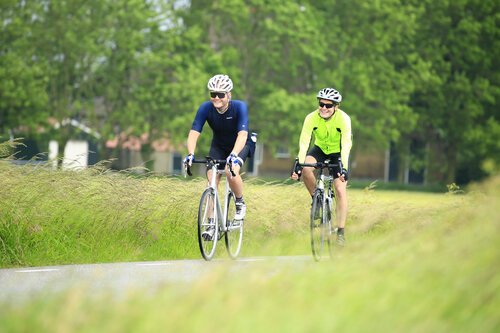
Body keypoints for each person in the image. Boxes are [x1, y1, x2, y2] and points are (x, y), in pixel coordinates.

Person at [184, 74, 253, 239]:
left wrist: (234, 155)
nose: (216, 98)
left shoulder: (239, 107)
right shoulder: (205, 108)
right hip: (219, 146)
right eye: (213, 94)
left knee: (230, 171)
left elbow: (242, 135)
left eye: (220, 94)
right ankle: (211, 223)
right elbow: (194, 133)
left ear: (229, 95)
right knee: (211, 182)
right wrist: (190, 154)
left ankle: (239, 202)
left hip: (241, 143)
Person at [291, 87, 352, 246]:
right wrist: (299, 162)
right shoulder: (311, 118)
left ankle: (340, 232)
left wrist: (344, 168)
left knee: (339, 189)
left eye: (328, 105)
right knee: (306, 169)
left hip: (338, 152)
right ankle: (316, 199)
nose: (324, 108)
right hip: (319, 149)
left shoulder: (343, 119)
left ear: (336, 107)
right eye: (321, 104)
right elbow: (304, 142)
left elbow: (346, 145)